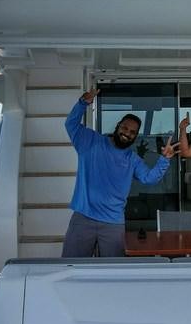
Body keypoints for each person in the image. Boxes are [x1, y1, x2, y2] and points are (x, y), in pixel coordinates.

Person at [61, 87, 176, 257]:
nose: (127, 134)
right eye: (125, 128)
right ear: (118, 126)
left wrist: (164, 159)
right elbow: (71, 124)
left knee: (114, 270)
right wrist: (82, 103)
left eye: (132, 133)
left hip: (113, 223)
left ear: (135, 137)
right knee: (71, 266)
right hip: (83, 217)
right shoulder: (90, 141)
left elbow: (149, 179)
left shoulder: (133, 159)